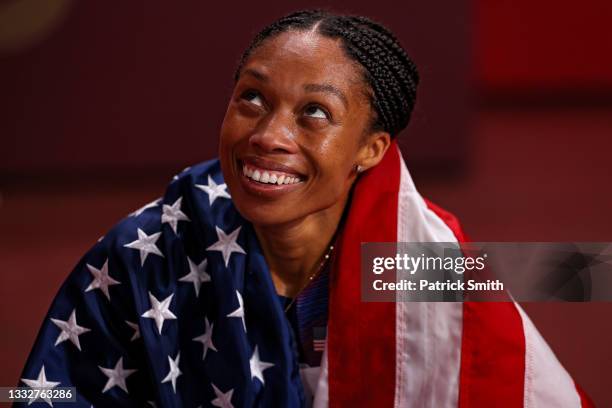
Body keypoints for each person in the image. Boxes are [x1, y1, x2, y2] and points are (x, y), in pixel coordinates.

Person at [17, 10, 592, 408]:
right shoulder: (149, 250)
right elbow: (41, 391)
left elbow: (573, 275)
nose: (268, 135)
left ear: (371, 150)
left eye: (314, 112)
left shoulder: (408, 258)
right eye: (252, 98)